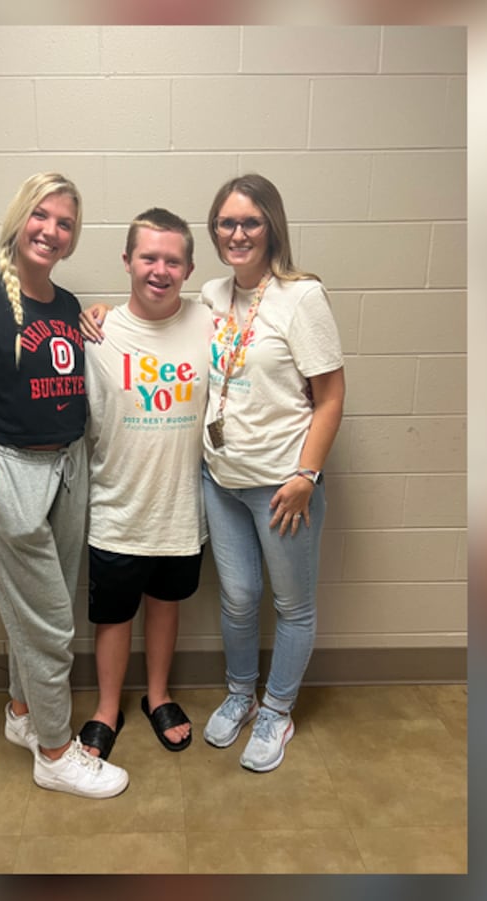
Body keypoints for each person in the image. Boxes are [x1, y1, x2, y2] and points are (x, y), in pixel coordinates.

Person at [0, 172, 128, 800]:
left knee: (52, 604)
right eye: (42, 216)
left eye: (65, 223)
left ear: (72, 239)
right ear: (20, 219)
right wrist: (0, 496)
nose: (52, 230)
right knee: (48, 625)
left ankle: (21, 713)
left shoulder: (66, 307)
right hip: (7, 468)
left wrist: (94, 315)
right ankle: (55, 751)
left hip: (67, 468)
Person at [195, 174, 346, 773]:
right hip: (220, 479)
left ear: (271, 227)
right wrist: (101, 314)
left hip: (284, 487)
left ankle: (277, 711)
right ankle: (240, 694)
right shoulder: (211, 295)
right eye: (226, 223)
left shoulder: (302, 298)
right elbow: (159, 327)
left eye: (250, 222)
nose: (237, 234)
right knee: (237, 599)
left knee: (293, 606)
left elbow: (331, 397)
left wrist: (307, 474)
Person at [78, 208, 210, 760]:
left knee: (165, 603)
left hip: (180, 507)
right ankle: (108, 706)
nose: (160, 269)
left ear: (189, 267)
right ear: (128, 260)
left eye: (172, 260)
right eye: (148, 257)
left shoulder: (209, 321)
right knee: (113, 615)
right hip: (116, 505)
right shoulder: (97, 331)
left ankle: (157, 696)